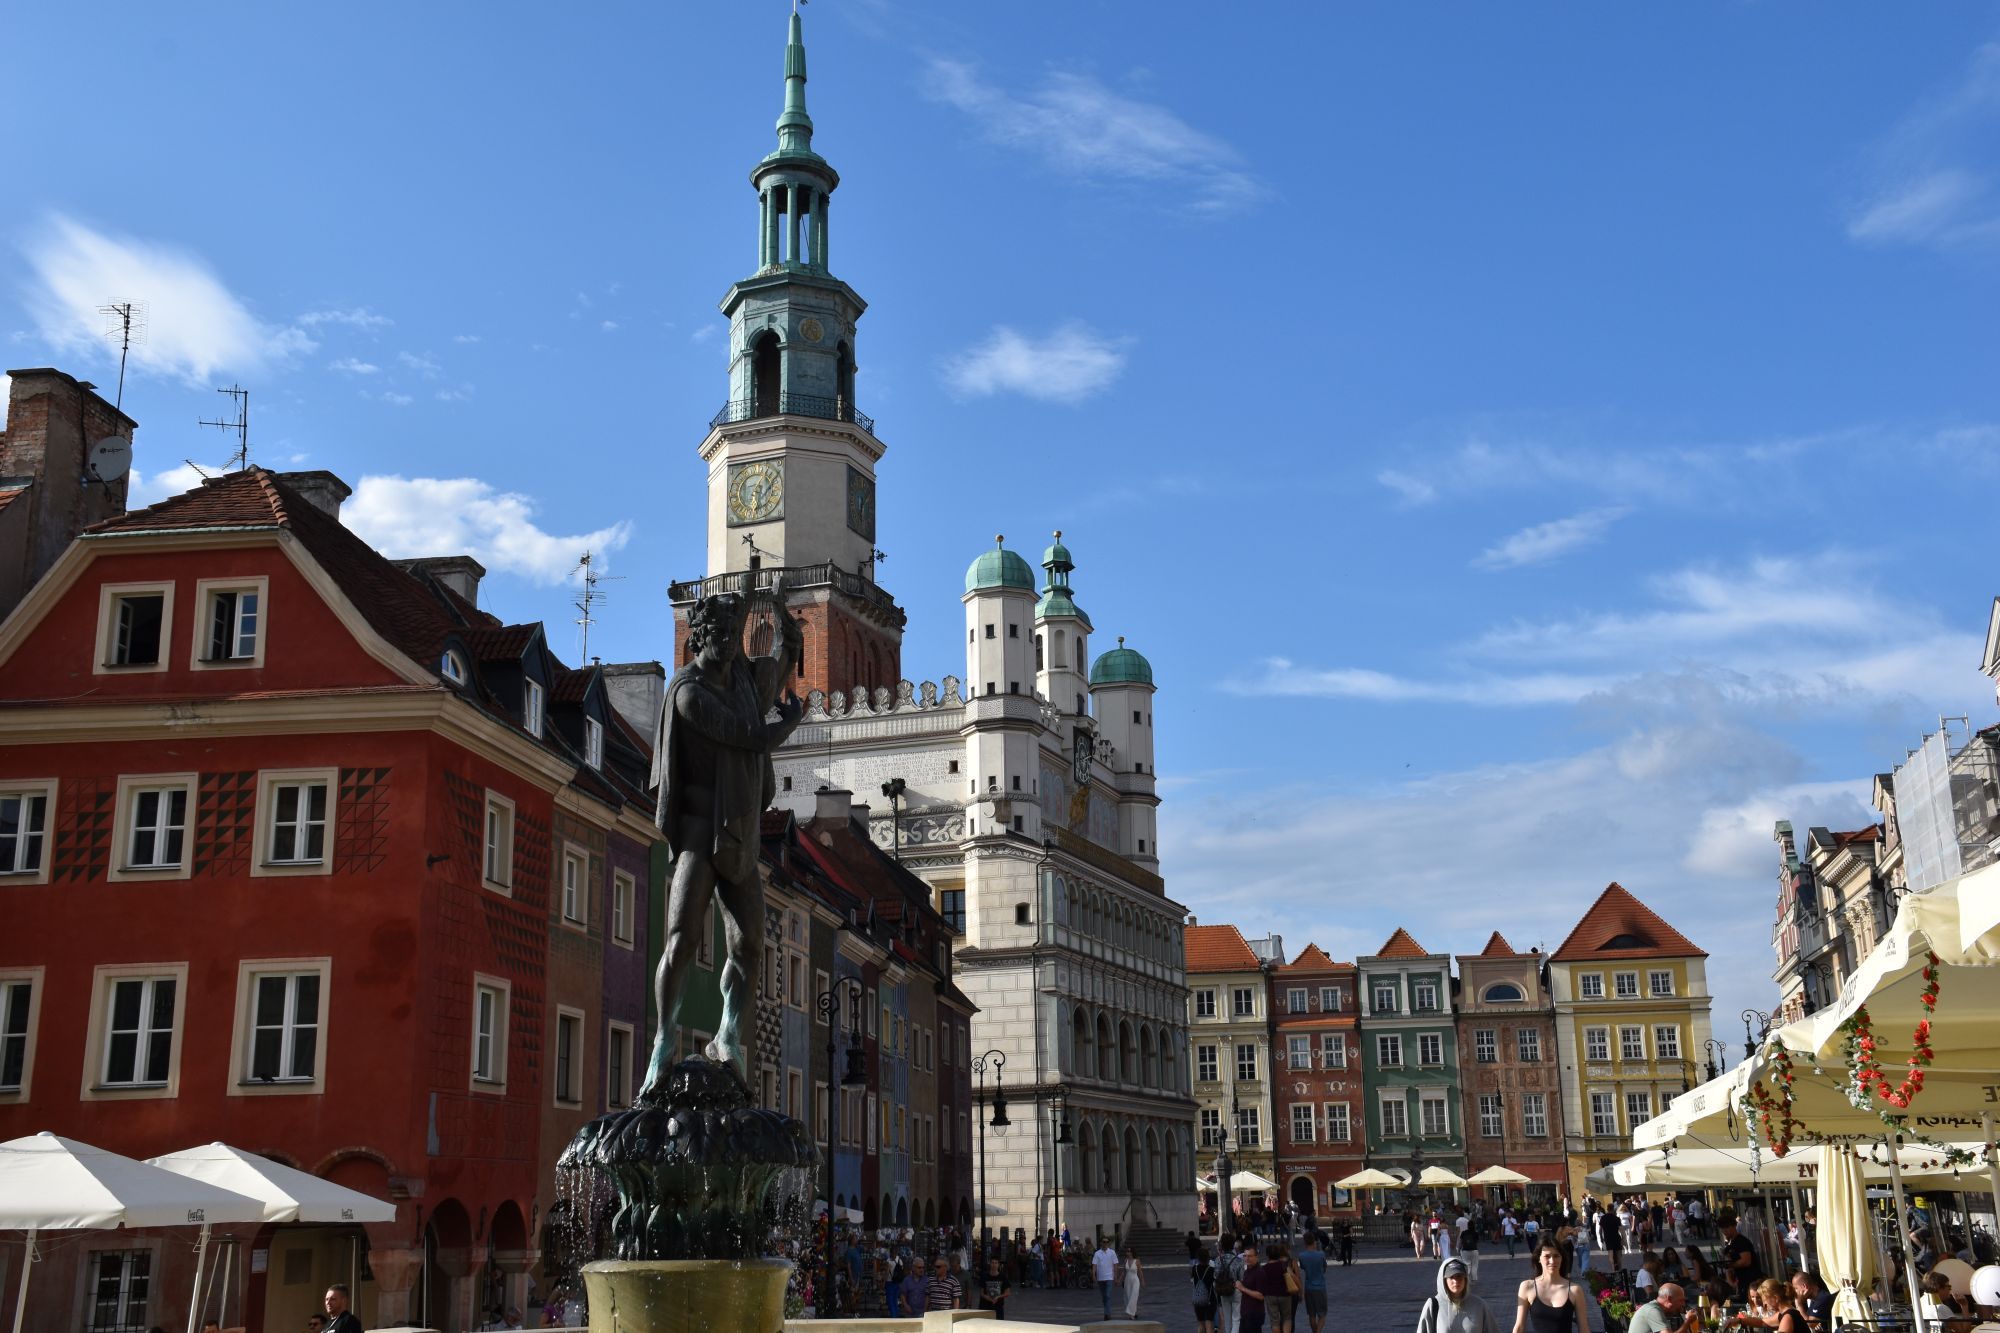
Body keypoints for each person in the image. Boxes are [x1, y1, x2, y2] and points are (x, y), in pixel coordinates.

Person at [1512, 1241, 1588, 1333]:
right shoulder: (1527, 1287)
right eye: (1547, 1256)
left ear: (1561, 1258)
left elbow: (1584, 1329)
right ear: (1539, 1258)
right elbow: (1519, 1327)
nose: (1552, 1261)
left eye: (1556, 1256)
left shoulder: (1575, 1290)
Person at [1418, 1257, 1502, 1333]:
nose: (1456, 1281)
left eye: (1459, 1276)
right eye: (1451, 1277)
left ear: (1466, 1279)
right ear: (1444, 1280)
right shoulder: (1433, 1305)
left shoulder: (1479, 1305)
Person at [1720, 1216, 1762, 1304]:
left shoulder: (1741, 1241)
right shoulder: (1731, 1243)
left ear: (1734, 1226)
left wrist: (1730, 1265)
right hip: (1741, 1281)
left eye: (1727, 1227)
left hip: (1750, 1279)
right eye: (1722, 1228)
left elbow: (1746, 1261)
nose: (1724, 1231)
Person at [1627, 1281, 1697, 1333]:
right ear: (1669, 1299)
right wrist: (1688, 1321)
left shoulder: (1656, 1308)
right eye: (1680, 1300)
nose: (1683, 1304)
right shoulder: (1653, 1310)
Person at [1298, 1230, 1330, 1333]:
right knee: (1322, 1314)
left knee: (1311, 1314)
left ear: (1305, 1242)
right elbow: (1324, 1269)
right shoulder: (1321, 1254)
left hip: (1309, 1287)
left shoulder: (1302, 1256)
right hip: (1320, 1286)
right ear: (1314, 1241)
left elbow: (1303, 1267)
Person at [1191, 1244, 1220, 1333]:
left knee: (1200, 1324)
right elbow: (1216, 1283)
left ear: (1198, 1258)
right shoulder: (1211, 1270)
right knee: (1209, 1324)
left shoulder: (1194, 1268)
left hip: (1198, 1300)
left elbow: (1192, 1280)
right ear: (1208, 1257)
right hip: (1210, 1300)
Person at [1093, 1238, 1121, 1321]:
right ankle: (1107, 1312)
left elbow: (1115, 1265)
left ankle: (1107, 1314)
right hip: (1100, 1278)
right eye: (1103, 1242)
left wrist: (1115, 1277)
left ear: (1108, 1243)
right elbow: (1094, 1265)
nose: (1105, 1243)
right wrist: (1093, 1275)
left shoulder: (1112, 1252)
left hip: (1109, 1277)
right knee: (1104, 1297)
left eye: (1107, 1242)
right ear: (1101, 1243)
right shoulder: (1097, 1253)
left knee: (1108, 1296)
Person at [1123, 1247, 1145, 1318]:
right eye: (1127, 1251)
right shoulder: (1125, 1260)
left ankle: (1130, 1313)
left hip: (1135, 1280)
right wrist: (1119, 1280)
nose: (1128, 1252)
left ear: (1132, 1252)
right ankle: (1133, 1314)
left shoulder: (1137, 1261)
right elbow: (1124, 1272)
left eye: (1129, 1251)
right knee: (1128, 1296)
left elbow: (1140, 1272)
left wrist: (1142, 1281)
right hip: (1127, 1280)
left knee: (1134, 1296)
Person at [1462, 1215, 1482, 1283]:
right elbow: (1477, 1241)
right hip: (1474, 1250)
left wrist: (1458, 1248)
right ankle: (1474, 1278)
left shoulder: (1464, 1233)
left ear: (1467, 1225)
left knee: (1467, 1265)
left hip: (1465, 1250)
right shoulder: (1475, 1233)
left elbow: (1461, 1241)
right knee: (1474, 1265)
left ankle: (1467, 1278)